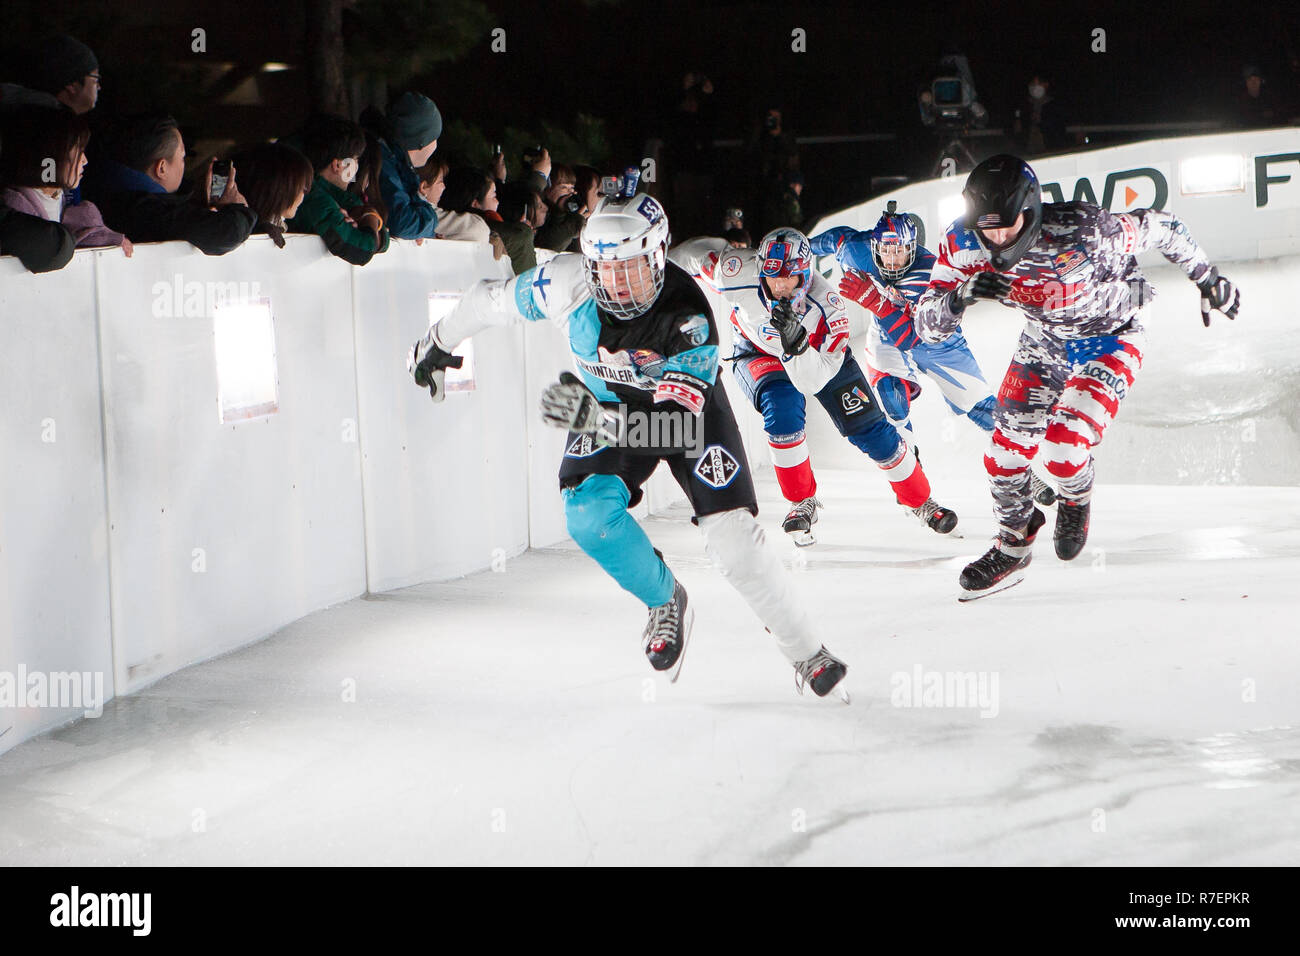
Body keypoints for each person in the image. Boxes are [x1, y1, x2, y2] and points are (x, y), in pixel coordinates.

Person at [407, 175, 849, 699]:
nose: (617, 286)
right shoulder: (566, 284)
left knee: (734, 543)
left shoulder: (690, 320)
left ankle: (805, 650)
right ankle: (664, 600)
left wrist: (592, 420)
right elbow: (489, 301)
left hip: (687, 414)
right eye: (605, 270)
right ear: (588, 265)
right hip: (613, 408)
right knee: (588, 515)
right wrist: (438, 341)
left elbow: (673, 432)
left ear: (659, 258)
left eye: (633, 270)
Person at [914, 154, 1240, 599]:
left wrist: (1208, 279)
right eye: (987, 229)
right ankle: (1013, 546)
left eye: (1007, 226)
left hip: (1110, 338)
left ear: (1031, 211)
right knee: (1003, 457)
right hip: (1044, 341)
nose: (997, 239)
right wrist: (958, 298)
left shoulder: (1087, 231)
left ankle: (1075, 495)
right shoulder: (962, 243)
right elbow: (926, 327)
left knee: (1064, 449)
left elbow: (1164, 227)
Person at [673, 227, 958, 547]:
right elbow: (691, 257)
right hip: (755, 351)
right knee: (781, 409)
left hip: (820, 360)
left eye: (789, 277)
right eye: (772, 276)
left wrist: (798, 348)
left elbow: (810, 382)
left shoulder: (829, 310)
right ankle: (801, 501)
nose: (779, 286)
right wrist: (652, 266)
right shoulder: (735, 271)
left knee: (873, 432)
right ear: (759, 268)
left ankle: (920, 499)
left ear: (805, 273)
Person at [813, 207, 1056, 507]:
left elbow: (914, 337)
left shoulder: (927, 273)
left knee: (981, 408)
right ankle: (912, 478)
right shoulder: (857, 251)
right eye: (886, 250)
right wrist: (796, 247)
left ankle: (1020, 468)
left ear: (912, 251)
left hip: (935, 337)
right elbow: (836, 240)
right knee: (892, 399)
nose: (892, 260)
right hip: (886, 330)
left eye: (900, 252)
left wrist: (874, 301)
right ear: (874, 247)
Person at [80, 113, 257, 256]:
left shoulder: (106, 191)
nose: (184, 164)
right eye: (182, 157)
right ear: (162, 168)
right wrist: (239, 209)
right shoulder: (142, 209)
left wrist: (195, 202)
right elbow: (224, 233)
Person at [0, 106, 130, 255]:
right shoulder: (14, 208)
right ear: (50, 156)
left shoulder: (63, 200)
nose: (85, 160)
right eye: (78, 151)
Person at [289, 114, 389, 264]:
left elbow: (382, 240)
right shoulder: (315, 198)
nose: (357, 167)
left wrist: (370, 217)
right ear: (337, 165)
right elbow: (364, 249)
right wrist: (370, 217)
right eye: (355, 159)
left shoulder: (335, 194)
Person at [359, 92, 441, 240]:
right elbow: (402, 222)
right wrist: (431, 220)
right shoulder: (383, 159)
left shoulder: (394, 158)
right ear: (420, 142)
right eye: (434, 137)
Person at [229, 142, 313, 248]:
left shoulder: (280, 226)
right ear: (278, 188)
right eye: (303, 188)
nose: (304, 195)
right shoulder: (233, 229)